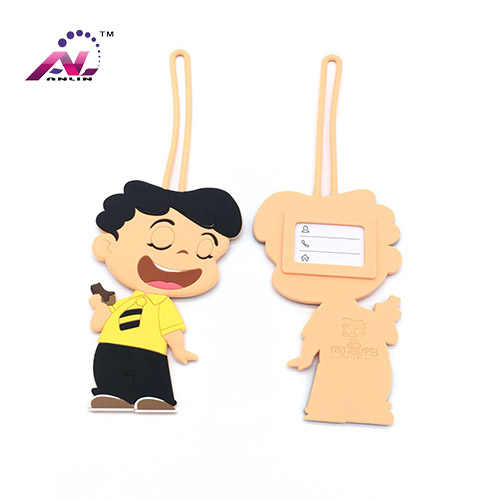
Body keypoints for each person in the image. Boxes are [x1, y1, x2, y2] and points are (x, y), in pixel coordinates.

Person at [89, 180, 242, 412]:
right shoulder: (121, 304)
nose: (182, 254)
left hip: (150, 351)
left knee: (151, 376)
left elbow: (171, 329)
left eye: (204, 249)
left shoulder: (162, 305)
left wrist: (179, 349)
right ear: (107, 246)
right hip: (110, 346)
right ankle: (111, 393)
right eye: (162, 239)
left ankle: (155, 397)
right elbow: (97, 325)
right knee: (108, 371)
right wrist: (101, 307)